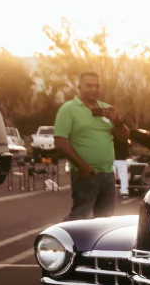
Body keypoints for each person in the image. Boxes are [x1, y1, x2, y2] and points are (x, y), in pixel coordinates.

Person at [53, 72, 130, 220]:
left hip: (107, 174)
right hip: (86, 174)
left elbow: (124, 137)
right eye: (89, 86)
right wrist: (83, 167)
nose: (93, 89)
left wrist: (117, 121)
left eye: (97, 86)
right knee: (79, 217)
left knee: (106, 219)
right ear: (79, 87)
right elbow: (60, 142)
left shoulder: (106, 109)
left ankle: (101, 244)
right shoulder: (68, 109)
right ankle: (60, 242)